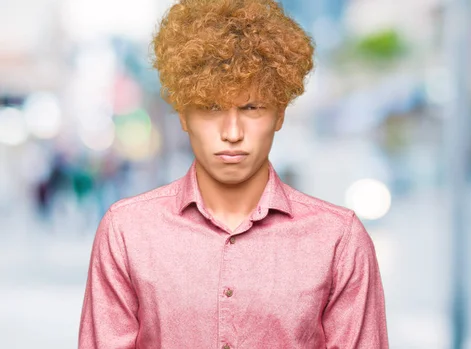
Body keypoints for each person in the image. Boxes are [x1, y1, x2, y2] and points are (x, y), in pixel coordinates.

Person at [78, 0, 389, 348]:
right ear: (182, 115)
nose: (232, 131)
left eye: (251, 107)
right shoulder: (127, 232)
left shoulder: (338, 241)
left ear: (280, 114)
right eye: (210, 108)